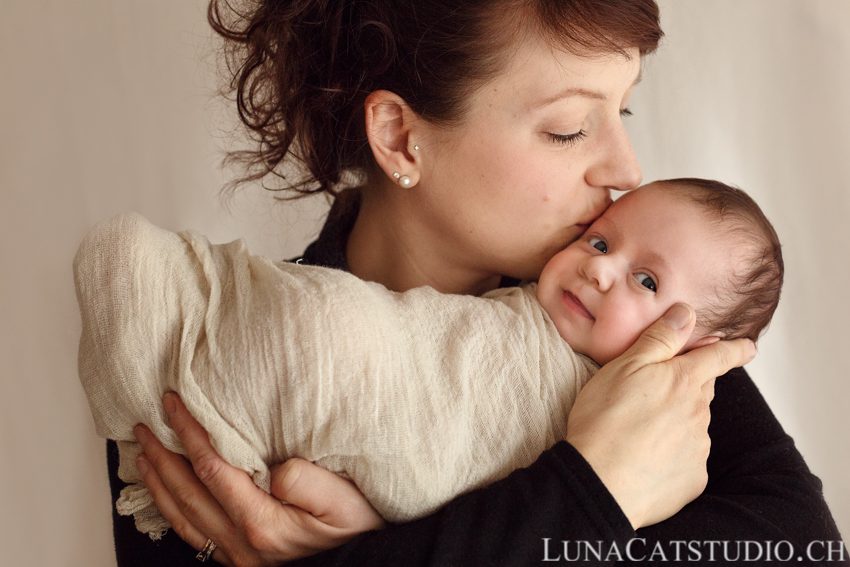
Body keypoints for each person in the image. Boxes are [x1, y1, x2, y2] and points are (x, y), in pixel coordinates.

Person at [111, 1, 846, 565]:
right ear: (400, 137)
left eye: (621, 111)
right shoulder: (223, 347)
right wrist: (599, 490)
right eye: (569, 128)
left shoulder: (625, 321)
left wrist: (375, 548)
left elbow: (803, 548)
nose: (627, 169)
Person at [77, 178, 784, 540]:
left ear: (696, 347)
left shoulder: (677, 417)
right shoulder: (523, 305)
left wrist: (366, 549)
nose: (600, 267)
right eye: (601, 242)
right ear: (399, 137)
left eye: (648, 281)